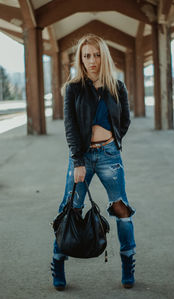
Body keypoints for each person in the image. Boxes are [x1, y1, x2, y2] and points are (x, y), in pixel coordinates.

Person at [51, 34, 136, 291]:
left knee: (121, 209)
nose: (92, 60)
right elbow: (70, 127)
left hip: (110, 155)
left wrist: (113, 141)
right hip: (82, 157)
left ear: (104, 57)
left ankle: (127, 262)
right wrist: (78, 160)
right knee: (69, 209)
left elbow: (125, 121)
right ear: (81, 58)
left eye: (97, 55)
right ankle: (58, 262)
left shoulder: (116, 87)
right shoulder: (74, 88)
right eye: (87, 55)